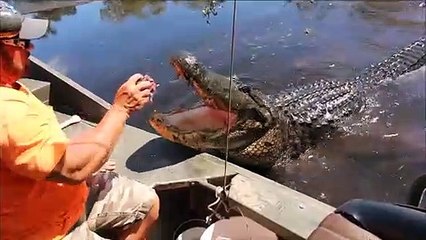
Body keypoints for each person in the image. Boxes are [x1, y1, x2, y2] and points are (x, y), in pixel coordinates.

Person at [0, 1, 160, 239]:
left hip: (63, 195)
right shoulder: (7, 111)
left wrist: (90, 164)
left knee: (147, 203)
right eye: (19, 42)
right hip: (41, 228)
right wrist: (121, 108)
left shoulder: (10, 88)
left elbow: (52, 153)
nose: (30, 47)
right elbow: (73, 168)